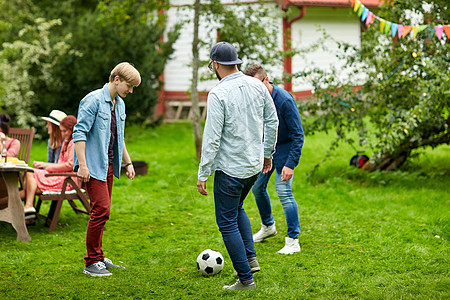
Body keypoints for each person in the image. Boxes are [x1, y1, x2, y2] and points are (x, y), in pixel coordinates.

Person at [197, 42, 278, 291]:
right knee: (237, 208)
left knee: (226, 221)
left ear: (216, 64)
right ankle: (250, 260)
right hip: (253, 166)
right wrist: (267, 154)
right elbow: (272, 121)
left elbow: (212, 137)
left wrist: (203, 173)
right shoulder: (257, 84)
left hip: (230, 169)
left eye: (211, 64)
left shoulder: (217, 93)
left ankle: (245, 279)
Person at [73, 62, 140, 277]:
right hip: (92, 166)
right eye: (129, 86)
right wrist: (82, 165)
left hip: (108, 165)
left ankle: (99, 257)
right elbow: (79, 134)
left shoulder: (119, 104)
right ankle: (91, 262)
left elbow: (119, 137)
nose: (130, 91)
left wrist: (128, 162)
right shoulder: (92, 101)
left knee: (101, 212)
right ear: (117, 79)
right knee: (101, 210)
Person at [244, 64, 304, 254]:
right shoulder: (255, 99)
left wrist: (290, 164)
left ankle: (293, 240)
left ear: (266, 79)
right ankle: (268, 227)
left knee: (284, 192)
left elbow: (298, 134)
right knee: (257, 187)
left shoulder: (285, 100)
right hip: (265, 152)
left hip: (285, 151)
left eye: (257, 85)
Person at [21, 115, 79, 221]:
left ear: (72, 130)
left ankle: (26, 207)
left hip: (69, 180)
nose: (62, 134)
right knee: (31, 184)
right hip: (62, 177)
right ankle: (28, 214)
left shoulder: (74, 143)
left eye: (65, 131)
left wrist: (46, 165)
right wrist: (45, 166)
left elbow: (70, 165)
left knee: (30, 174)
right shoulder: (67, 142)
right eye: (61, 131)